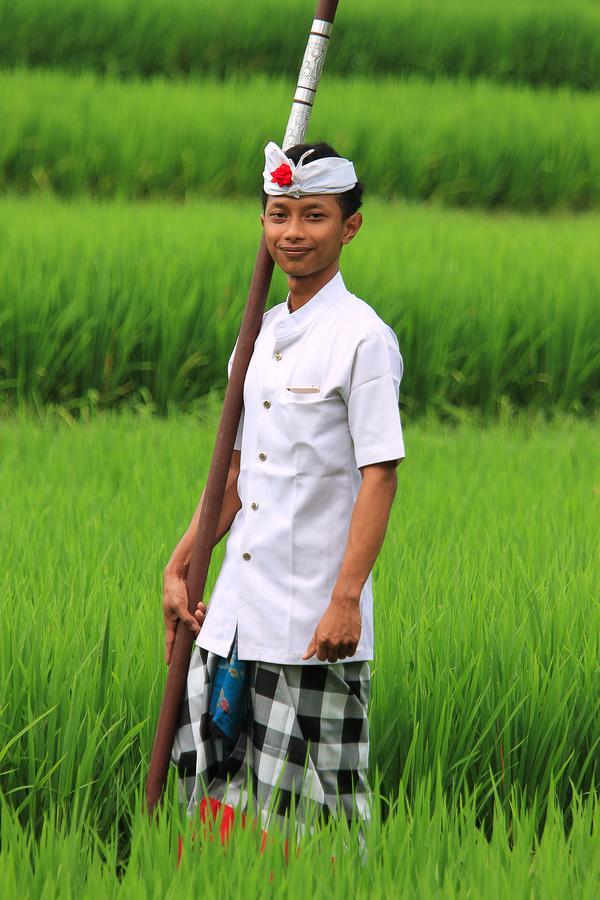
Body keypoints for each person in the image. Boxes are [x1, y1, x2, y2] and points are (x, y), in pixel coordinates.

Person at [167, 140, 406, 857]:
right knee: (211, 802)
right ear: (263, 223)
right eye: (279, 215)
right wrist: (182, 562)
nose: (293, 232)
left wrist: (346, 600)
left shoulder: (362, 339)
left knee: (315, 826)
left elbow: (380, 474)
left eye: (314, 216)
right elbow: (236, 476)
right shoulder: (262, 332)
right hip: (233, 618)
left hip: (310, 628)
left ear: (350, 226)